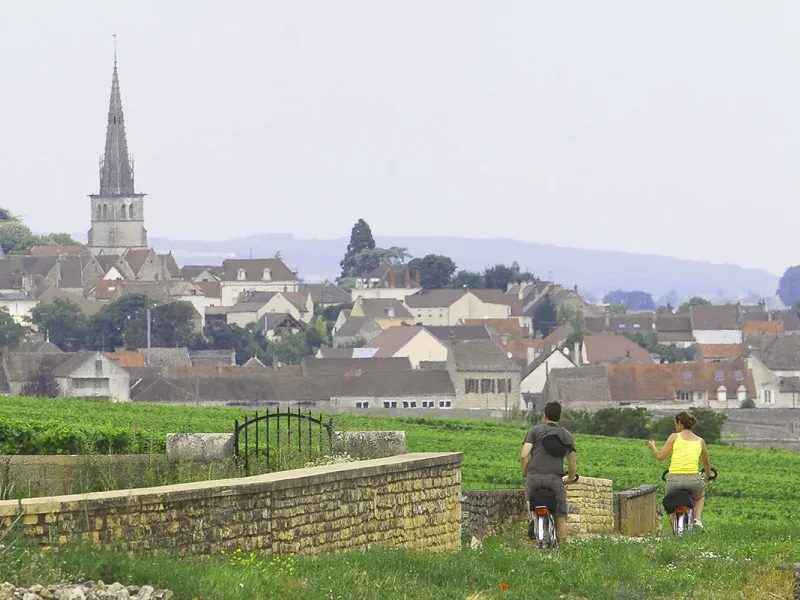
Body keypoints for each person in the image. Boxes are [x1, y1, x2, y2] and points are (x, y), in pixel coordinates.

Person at [520, 401, 577, 542]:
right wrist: (570, 478)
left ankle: (533, 522)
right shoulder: (567, 435)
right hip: (554, 479)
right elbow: (572, 462)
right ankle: (562, 547)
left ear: (544, 416)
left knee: (530, 504)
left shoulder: (534, 431)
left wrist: (525, 473)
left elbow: (523, 455)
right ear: (559, 417)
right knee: (561, 515)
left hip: (533, 478)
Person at [648, 411, 713, 529]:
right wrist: (708, 476)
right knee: (700, 497)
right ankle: (697, 520)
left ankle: (674, 521)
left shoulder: (674, 437)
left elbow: (660, 457)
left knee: (671, 503)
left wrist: (652, 447)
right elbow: (706, 463)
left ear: (679, 423)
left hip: (674, 480)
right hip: (693, 480)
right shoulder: (700, 441)